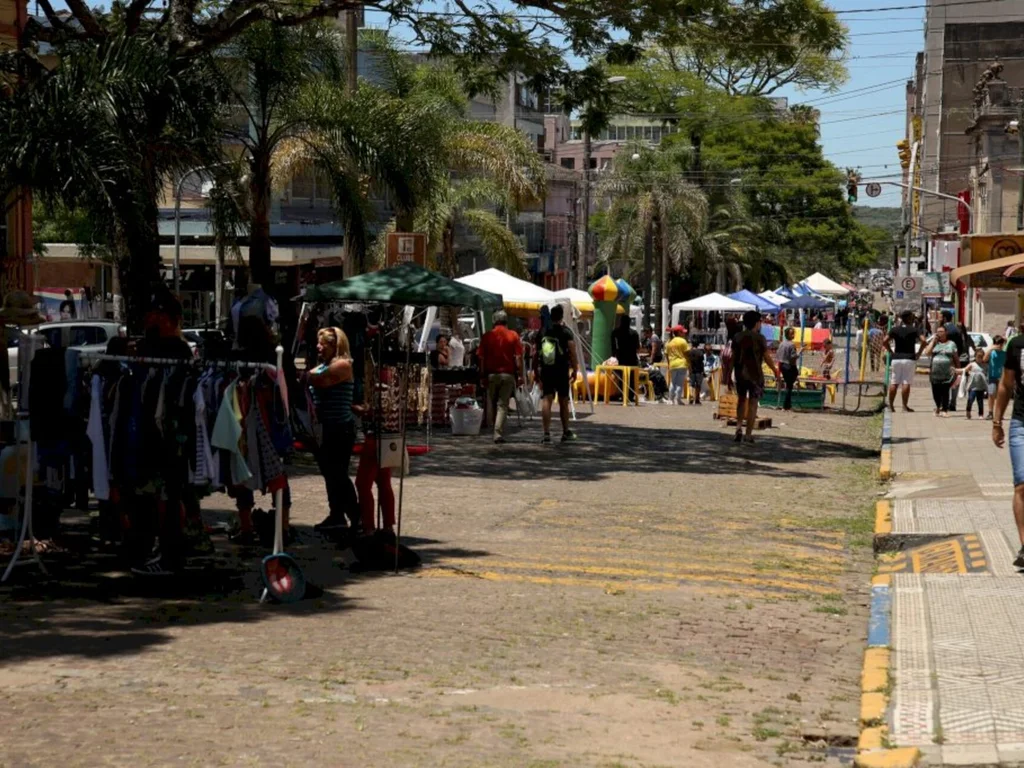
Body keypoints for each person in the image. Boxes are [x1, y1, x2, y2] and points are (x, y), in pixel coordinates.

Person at [309, 327, 360, 535]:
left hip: (340, 429)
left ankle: (356, 516)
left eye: (323, 344)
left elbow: (318, 379)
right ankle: (336, 514)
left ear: (335, 345)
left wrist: (303, 376)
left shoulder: (343, 365)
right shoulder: (323, 365)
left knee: (338, 474)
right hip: (325, 428)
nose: (318, 347)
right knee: (329, 474)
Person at [991, 321, 1024, 566]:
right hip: (1021, 423)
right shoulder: (1017, 344)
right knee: (1022, 485)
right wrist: (996, 421)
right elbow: (1005, 384)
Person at [732, 310, 779, 443]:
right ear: (757, 323)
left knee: (741, 401)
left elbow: (732, 357)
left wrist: (726, 374)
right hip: (755, 376)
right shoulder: (760, 338)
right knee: (753, 404)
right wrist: (775, 370)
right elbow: (766, 357)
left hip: (740, 374)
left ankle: (738, 427)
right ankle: (748, 434)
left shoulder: (737, 337)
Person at [477, 310, 522, 444]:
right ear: (506, 320)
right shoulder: (513, 335)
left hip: (491, 375)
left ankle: (495, 429)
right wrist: (519, 374)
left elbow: (481, 358)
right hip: (508, 375)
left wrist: (482, 374)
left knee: (493, 402)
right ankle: (497, 432)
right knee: (503, 404)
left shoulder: (487, 336)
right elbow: (518, 358)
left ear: (494, 321)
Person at [537, 304, 578, 443]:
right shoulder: (566, 332)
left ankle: (546, 434)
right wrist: (575, 369)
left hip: (547, 369)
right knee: (563, 401)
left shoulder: (542, 331)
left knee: (547, 400)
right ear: (561, 316)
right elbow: (572, 352)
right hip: (561, 369)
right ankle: (565, 431)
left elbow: (535, 353)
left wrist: (536, 371)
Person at [885, 311, 923, 413]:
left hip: (896, 358)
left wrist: (890, 351)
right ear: (910, 318)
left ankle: (891, 406)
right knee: (906, 382)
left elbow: (884, 341)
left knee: (894, 382)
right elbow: (924, 341)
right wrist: (919, 352)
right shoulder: (914, 330)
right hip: (909, 358)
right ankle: (904, 406)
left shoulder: (895, 329)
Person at [921, 325, 957, 417]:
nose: (939, 333)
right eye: (938, 331)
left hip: (947, 372)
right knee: (935, 391)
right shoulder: (934, 343)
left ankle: (944, 410)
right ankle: (938, 406)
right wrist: (933, 341)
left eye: (941, 331)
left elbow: (956, 358)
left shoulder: (951, 344)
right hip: (935, 372)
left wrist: (957, 370)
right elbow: (927, 352)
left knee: (945, 391)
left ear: (946, 333)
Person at [611, 315, 641, 404]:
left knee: (621, 376)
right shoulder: (634, 333)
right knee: (631, 377)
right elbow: (637, 347)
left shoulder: (615, 332)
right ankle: (630, 395)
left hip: (621, 356)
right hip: (631, 357)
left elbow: (613, 346)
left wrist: (614, 355)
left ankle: (622, 394)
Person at [961, 348, 989, 419]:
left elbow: (988, 374)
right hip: (972, 387)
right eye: (978, 357)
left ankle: (981, 414)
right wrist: (956, 370)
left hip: (981, 387)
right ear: (975, 357)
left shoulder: (985, 365)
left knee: (980, 402)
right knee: (970, 399)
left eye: (981, 357)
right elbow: (964, 370)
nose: (979, 359)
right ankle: (968, 411)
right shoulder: (972, 364)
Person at [664, 325, 690, 405]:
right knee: (679, 383)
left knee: (673, 382)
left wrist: (669, 364)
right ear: (679, 332)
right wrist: (690, 364)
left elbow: (666, 354)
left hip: (672, 364)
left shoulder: (669, 342)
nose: (684, 334)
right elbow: (687, 353)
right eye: (683, 332)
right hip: (682, 364)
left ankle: (671, 399)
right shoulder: (683, 341)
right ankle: (677, 399)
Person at [777, 327, 800, 411]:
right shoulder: (791, 345)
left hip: (782, 366)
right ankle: (786, 406)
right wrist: (800, 353)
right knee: (789, 387)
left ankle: (787, 405)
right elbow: (793, 357)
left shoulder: (781, 344)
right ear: (788, 335)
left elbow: (778, 355)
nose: (793, 335)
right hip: (789, 366)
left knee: (788, 386)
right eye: (792, 333)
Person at [985, 336, 1007, 420]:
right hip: (992, 376)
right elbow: (984, 359)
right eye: (996, 344)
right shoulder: (992, 352)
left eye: (1000, 344)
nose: (998, 346)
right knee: (991, 393)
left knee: (1001, 395)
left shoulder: (1005, 353)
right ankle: (990, 412)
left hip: (1002, 377)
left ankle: (1000, 412)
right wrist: (991, 349)